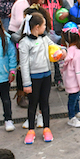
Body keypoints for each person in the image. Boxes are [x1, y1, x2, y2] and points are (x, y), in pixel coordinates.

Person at [19, 13, 53, 145]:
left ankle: (46, 128)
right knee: (32, 104)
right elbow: (24, 64)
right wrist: (26, 83)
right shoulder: (25, 43)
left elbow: (53, 46)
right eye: (44, 25)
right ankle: (31, 130)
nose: (45, 27)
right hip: (34, 78)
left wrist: (62, 51)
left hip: (46, 75)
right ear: (37, 26)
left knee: (45, 102)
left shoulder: (45, 38)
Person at [59, 26, 80, 128]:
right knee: (73, 100)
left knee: (74, 99)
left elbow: (62, 67)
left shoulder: (66, 52)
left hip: (69, 81)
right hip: (76, 82)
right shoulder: (78, 53)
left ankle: (77, 113)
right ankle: (72, 117)